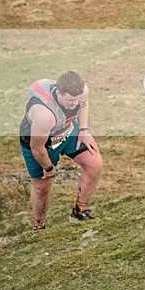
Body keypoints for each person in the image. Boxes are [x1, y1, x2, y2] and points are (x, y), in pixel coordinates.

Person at [19, 71, 102, 229]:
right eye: (70, 100)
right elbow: (36, 147)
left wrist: (83, 130)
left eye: (77, 100)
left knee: (94, 163)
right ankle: (39, 225)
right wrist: (49, 168)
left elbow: (83, 103)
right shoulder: (45, 115)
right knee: (43, 186)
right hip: (41, 143)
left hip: (66, 130)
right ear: (59, 93)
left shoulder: (82, 92)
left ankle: (79, 212)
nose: (75, 104)